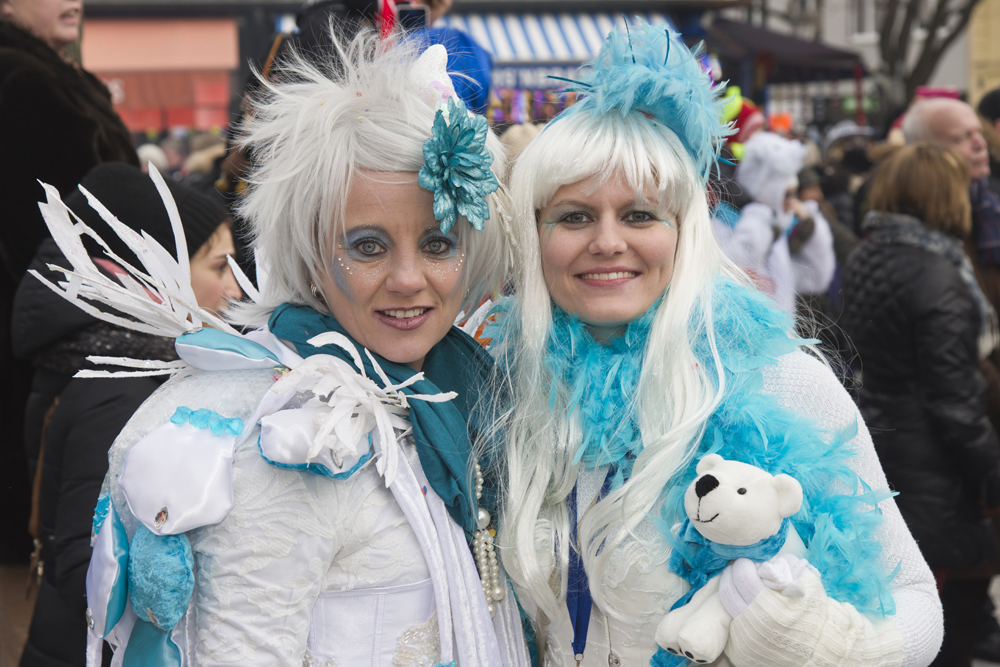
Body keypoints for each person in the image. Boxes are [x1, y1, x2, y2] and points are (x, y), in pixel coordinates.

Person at [39, 31, 528, 666]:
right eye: (368, 246)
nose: (409, 279)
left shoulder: (458, 384)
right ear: (311, 251)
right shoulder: (286, 429)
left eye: (437, 244)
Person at [484, 21, 942, 667]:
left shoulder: (777, 379)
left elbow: (917, 601)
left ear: (684, 229)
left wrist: (829, 642)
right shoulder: (500, 379)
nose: (608, 241)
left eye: (640, 215)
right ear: (536, 235)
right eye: (575, 216)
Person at [12, 163, 241, 667]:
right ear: (152, 275)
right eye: (219, 268)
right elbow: (82, 563)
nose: (237, 290)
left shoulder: (125, 361)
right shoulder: (118, 388)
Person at [0, 1, 136, 662]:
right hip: (51, 334)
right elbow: (42, 232)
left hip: (81, 328)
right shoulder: (19, 82)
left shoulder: (59, 78)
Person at [840, 143, 1000, 667]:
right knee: (948, 623)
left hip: (883, 449)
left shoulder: (869, 253)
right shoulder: (939, 274)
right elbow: (955, 402)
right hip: (937, 472)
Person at [722, 131, 836, 313]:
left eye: (794, 193)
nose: (792, 202)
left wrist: (812, 229)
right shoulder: (728, 221)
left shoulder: (776, 228)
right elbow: (735, 275)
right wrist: (759, 217)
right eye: (786, 194)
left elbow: (814, 280)